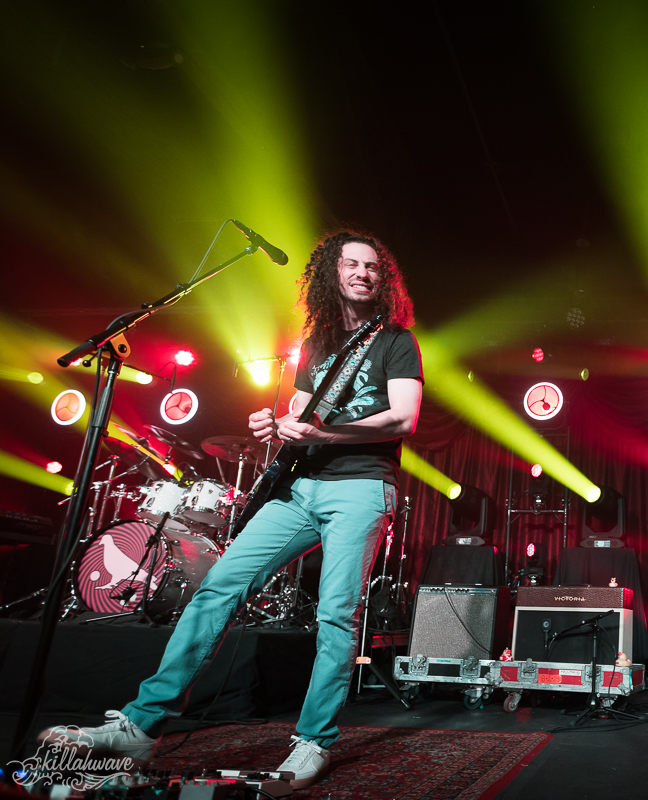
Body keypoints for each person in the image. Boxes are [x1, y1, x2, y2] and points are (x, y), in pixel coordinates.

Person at [42, 229, 423, 790]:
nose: (363, 272)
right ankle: (142, 726)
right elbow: (298, 414)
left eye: (373, 266)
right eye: (352, 264)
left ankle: (314, 741)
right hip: (299, 488)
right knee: (220, 585)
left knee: (337, 615)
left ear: (382, 279)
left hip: (361, 488)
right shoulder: (316, 342)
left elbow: (402, 419)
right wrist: (276, 428)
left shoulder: (395, 341)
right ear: (332, 274)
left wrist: (323, 430)